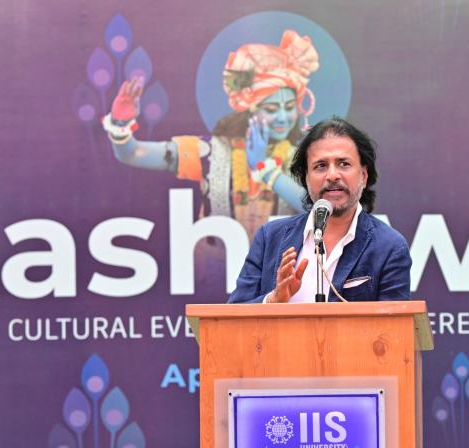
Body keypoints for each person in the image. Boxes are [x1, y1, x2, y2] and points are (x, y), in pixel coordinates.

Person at [102, 30, 320, 240]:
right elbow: (132, 154)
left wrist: (265, 168)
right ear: (249, 109)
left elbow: (317, 211)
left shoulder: (304, 157)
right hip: (216, 263)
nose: (283, 117)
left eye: (289, 107)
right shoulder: (211, 152)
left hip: (283, 264)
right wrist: (121, 122)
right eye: (271, 109)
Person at [228, 117, 412, 303]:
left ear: (363, 176)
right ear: (306, 179)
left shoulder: (389, 247)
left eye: (343, 164)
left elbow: (394, 320)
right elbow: (234, 314)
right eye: (321, 166)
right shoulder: (270, 238)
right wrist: (273, 300)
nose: (332, 175)